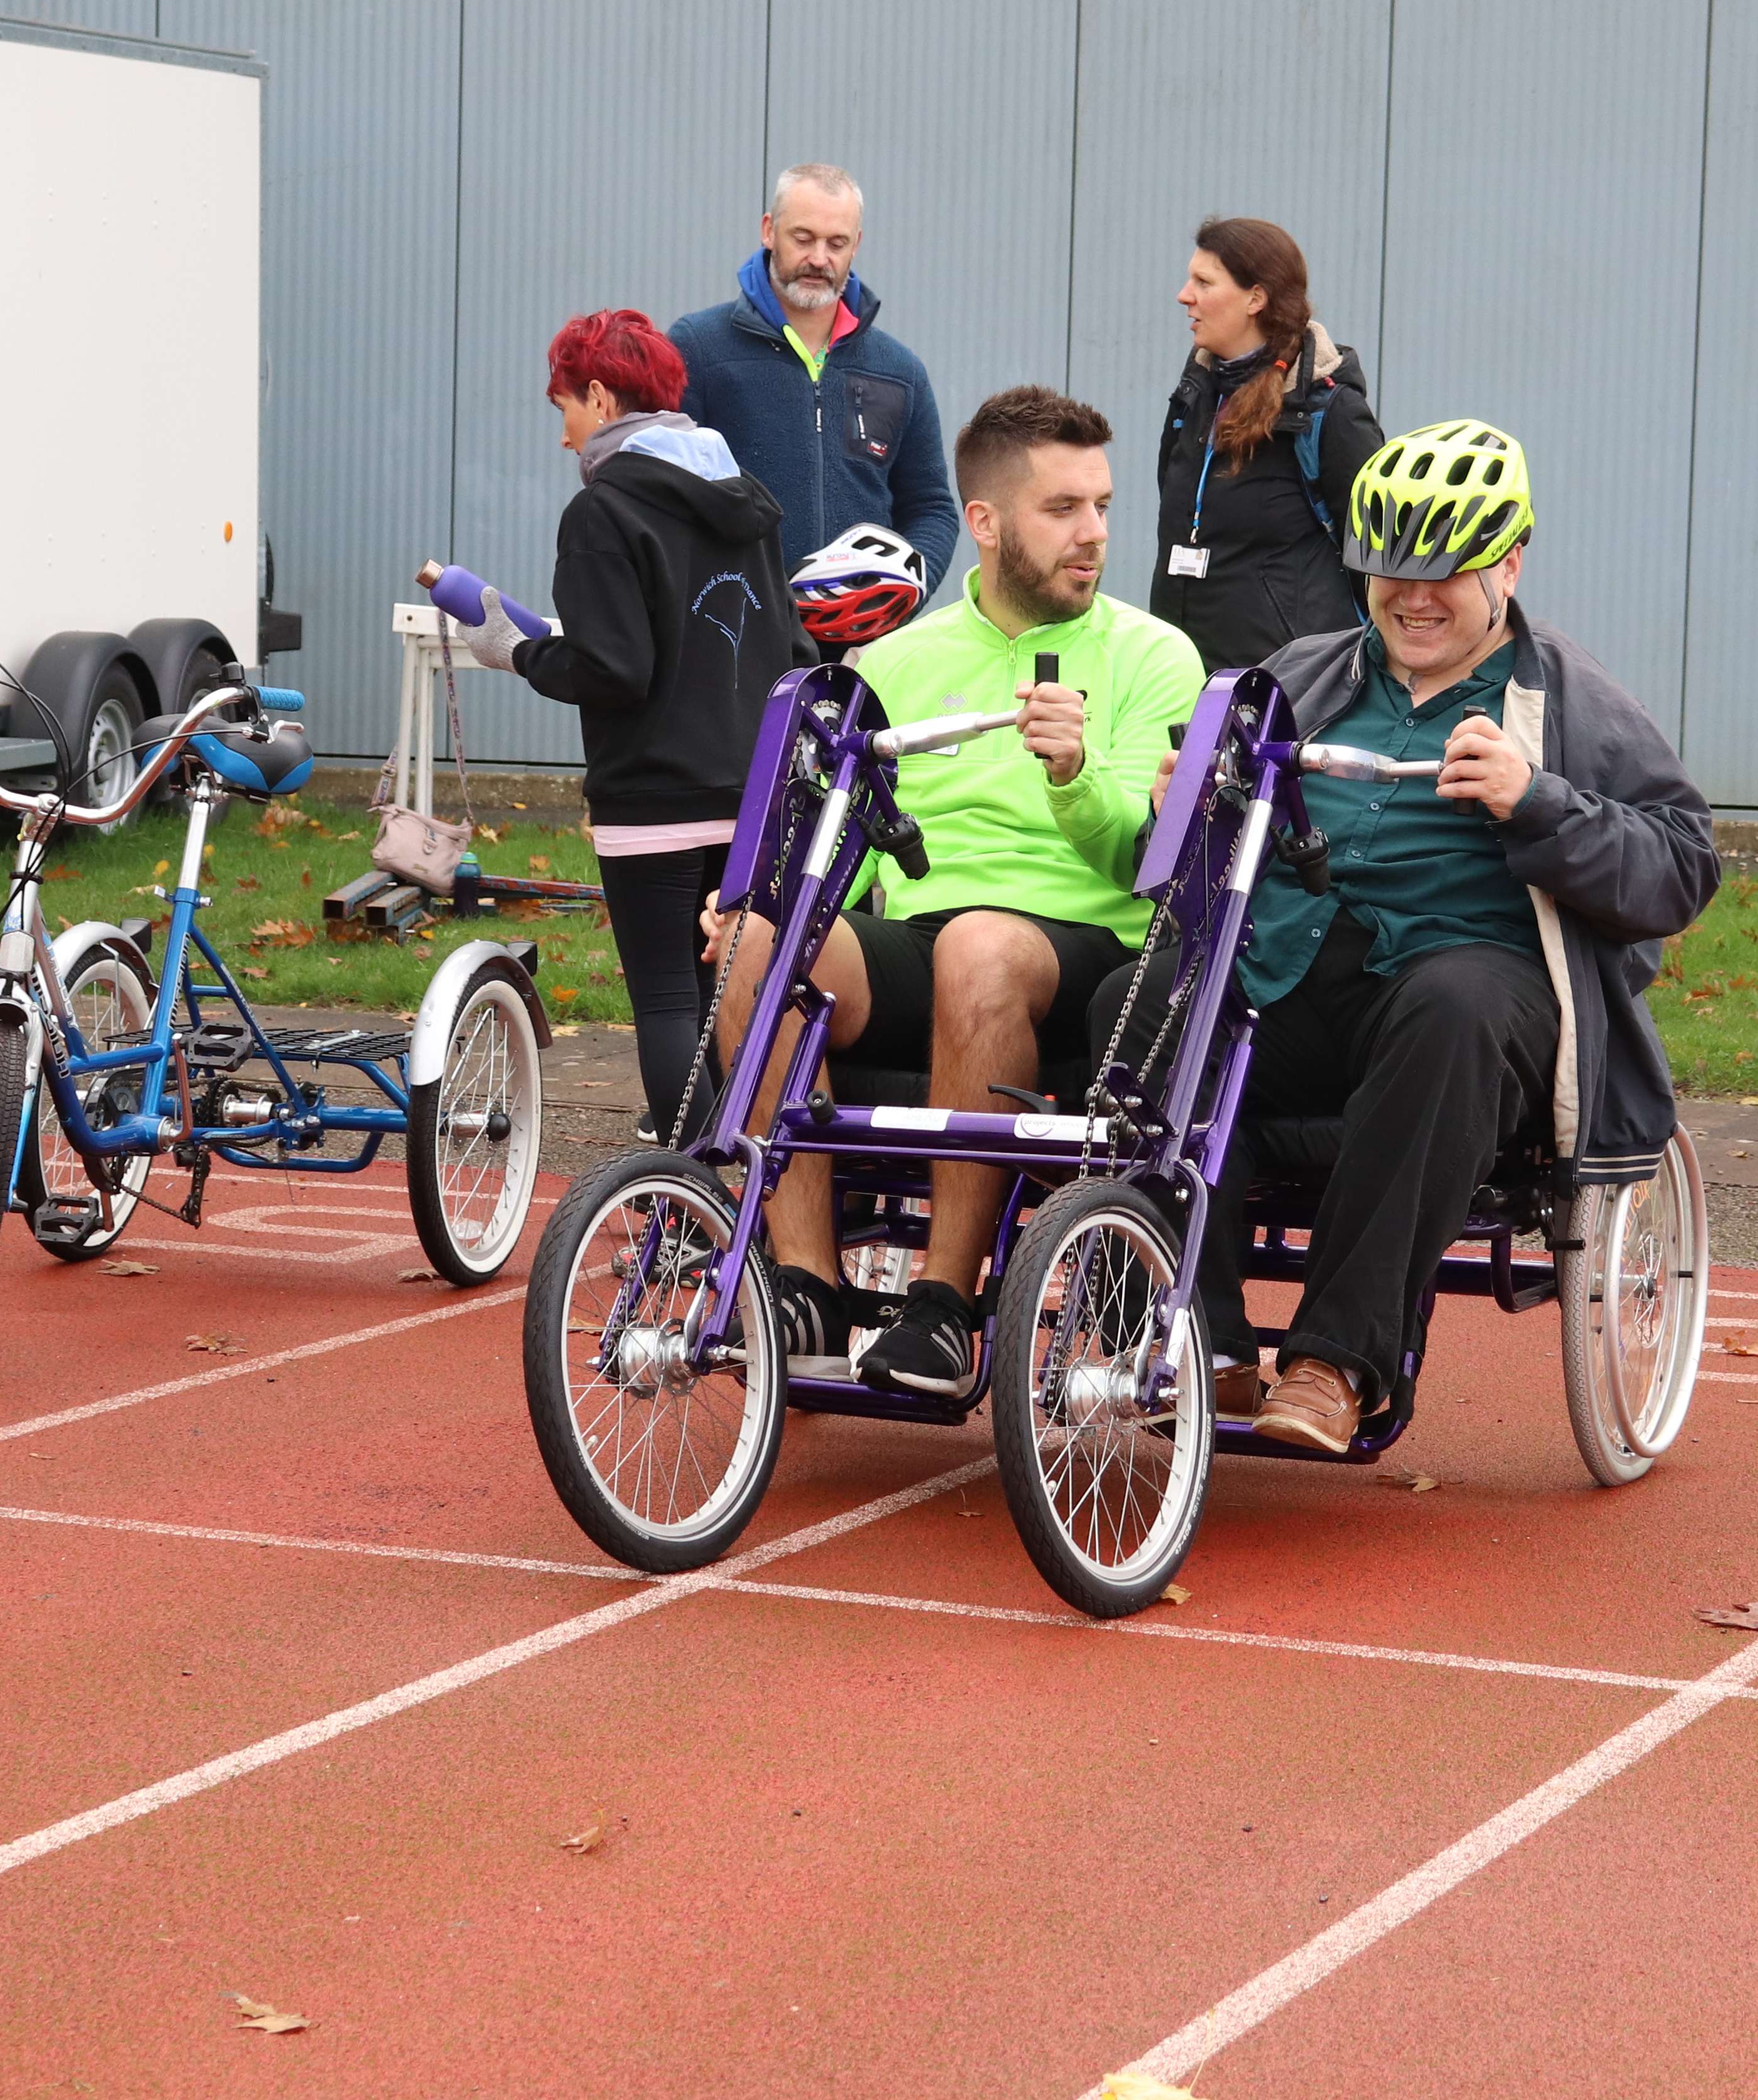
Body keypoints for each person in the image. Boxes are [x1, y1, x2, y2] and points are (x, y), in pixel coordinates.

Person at [1114, 420, 1716, 1450]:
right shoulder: (1304, 675)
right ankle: (1199, 1345)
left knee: (1452, 1004)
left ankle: (1338, 1365)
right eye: (1392, 573)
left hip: (1477, 985)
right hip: (1303, 970)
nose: (1416, 598)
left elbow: (1682, 863)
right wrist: (1185, 808)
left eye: (1447, 572)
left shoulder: (1564, 693)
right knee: (1150, 995)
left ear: (1510, 562)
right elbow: (1176, 864)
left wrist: (1539, 802)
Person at [711, 386, 1204, 1396]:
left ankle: (943, 1304)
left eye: (1102, 506)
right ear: (984, 523)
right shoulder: (894, 660)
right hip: (928, 938)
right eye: (1062, 509)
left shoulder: (1156, 655)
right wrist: (753, 897)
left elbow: (1143, 865)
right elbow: (840, 845)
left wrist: (1075, 779)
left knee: (979, 944)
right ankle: (808, 1284)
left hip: (1083, 946)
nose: (1094, 535)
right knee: (763, 941)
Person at [443, 309, 807, 1139]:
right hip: (750, 790)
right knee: (732, 994)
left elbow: (614, 668)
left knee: (669, 1002)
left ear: (602, 398)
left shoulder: (603, 512)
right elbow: (788, 643)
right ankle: (746, 1185)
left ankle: (689, 1190)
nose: (566, 436)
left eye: (565, 407)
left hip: (651, 795)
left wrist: (515, 652)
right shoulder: (748, 503)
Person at [670, 163, 959, 590]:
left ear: (856, 245)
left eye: (836, 243)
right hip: (733, 637)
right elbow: (662, 499)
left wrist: (901, 601)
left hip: (862, 645)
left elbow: (931, 509)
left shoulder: (900, 371)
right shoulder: (697, 348)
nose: (819, 259)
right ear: (769, 231)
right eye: (803, 239)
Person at [1149, 217, 1385, 672]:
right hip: (1182, 683)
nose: (1185, 295)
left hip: (1287, 691)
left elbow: (1378, 559)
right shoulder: (1195, 394)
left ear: (1255, 298)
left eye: (1203, 281)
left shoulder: (1327, 410)